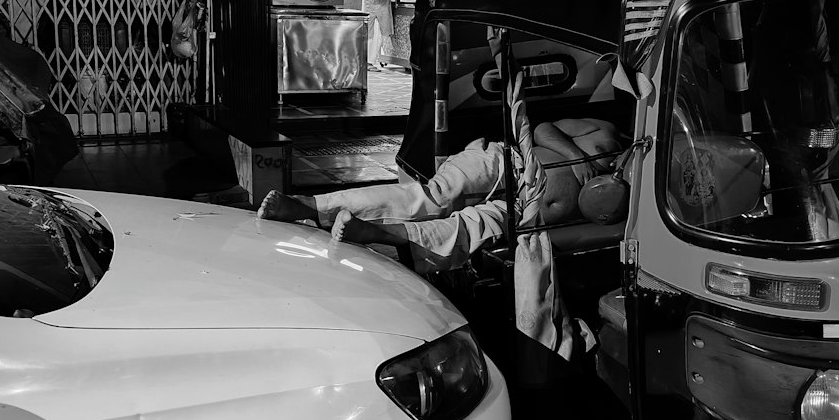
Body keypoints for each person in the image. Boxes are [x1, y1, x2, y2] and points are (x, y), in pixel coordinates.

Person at [257, 117, 624, 272]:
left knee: (463, 232)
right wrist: (577, 157)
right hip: (508, 163)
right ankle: (309, 205)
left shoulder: (641, 191)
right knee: (433, 196)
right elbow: (543, 128)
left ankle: (385, 234)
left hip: (524, 213)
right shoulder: (606, 135)